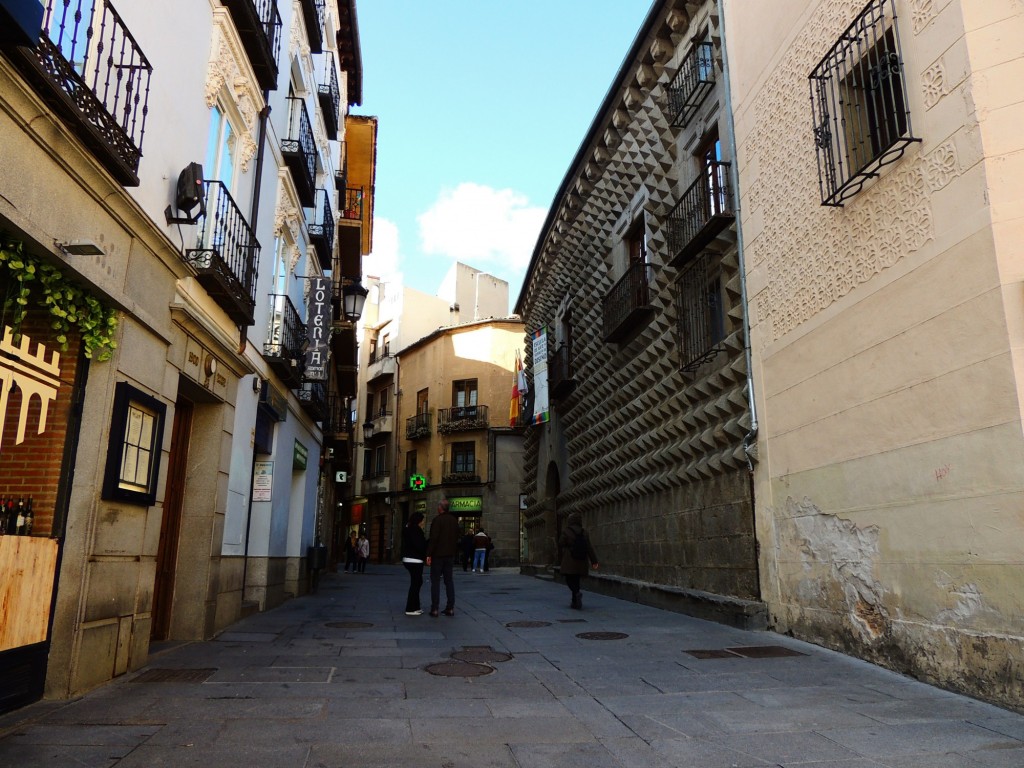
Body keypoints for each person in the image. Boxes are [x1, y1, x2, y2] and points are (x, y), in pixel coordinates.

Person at [425, 498, 460, 617]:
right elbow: (457, 536)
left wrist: (429, 554)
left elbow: (433, 538)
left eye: (438, 506)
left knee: (435, 581)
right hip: (450, 555)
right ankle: (450, 608)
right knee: (449, 581)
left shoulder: (437, 520)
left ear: (440, 508)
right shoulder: (454, 520)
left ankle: (435, 608)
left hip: (438, 555)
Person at [558, 512, 599, 609]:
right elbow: (589, 548)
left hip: (570, 560)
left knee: (569, 578)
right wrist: (594, 561)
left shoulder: (567, 531)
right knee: (576, 580)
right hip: (581, 560)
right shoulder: (584, 532)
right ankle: (575, 601)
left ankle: (576, 593)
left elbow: (561, 543)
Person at [401, 512, 427, 615]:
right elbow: (420, 545)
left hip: (408, 558)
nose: (423, 522)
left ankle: (416, 607)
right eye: (423, 520)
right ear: (418, 521)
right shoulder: (416, 530)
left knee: (417, 582)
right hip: (415, 559)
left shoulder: (408, 529)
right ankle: (410, 608)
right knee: (416, 583)